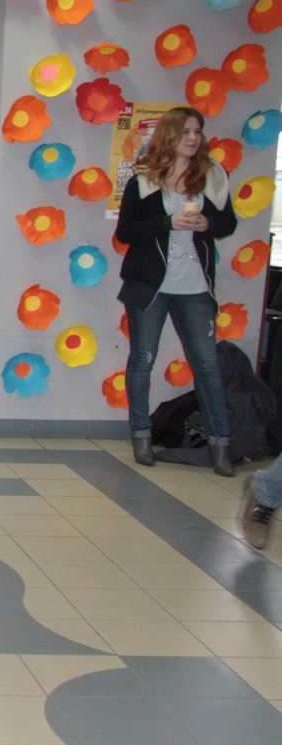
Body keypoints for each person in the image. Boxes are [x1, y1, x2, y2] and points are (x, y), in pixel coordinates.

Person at [115, 106, 238, 476]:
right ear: (169, 134)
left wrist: (207, 223)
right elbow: (126, 231)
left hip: (195, 286)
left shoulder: (213, 175)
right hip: (149, 285)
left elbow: (227, 222)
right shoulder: (144, 179)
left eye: (197, 131)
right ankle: (141, 437)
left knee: (207, 364)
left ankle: (220, 445)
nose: (193, 138)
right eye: (186, 131)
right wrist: (167, 222)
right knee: (143, 359)